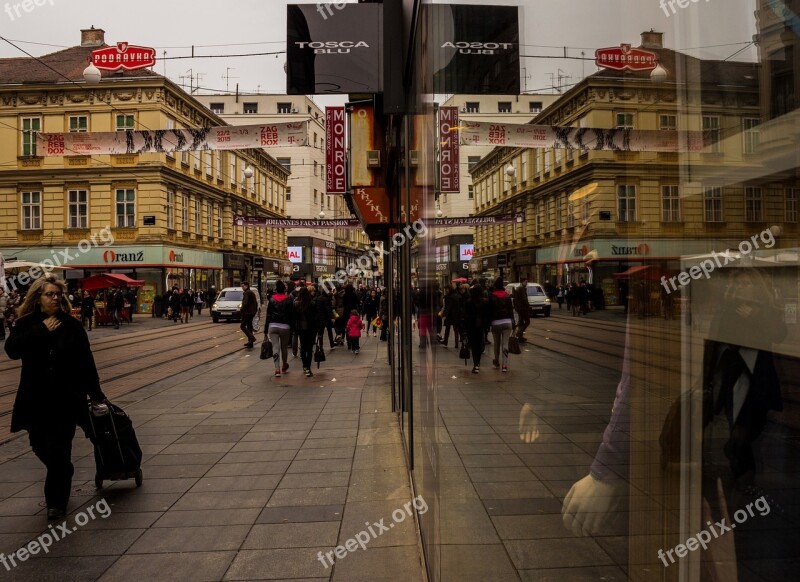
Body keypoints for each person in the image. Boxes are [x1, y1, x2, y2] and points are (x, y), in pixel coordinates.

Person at [4, 276, 107, 520]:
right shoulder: (27, 324)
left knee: (60, 450)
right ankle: (63, 471)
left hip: (66, 401)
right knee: (40, 446)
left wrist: (96, 395)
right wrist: (40, 331)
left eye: (58, 294)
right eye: (49, 294)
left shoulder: (72, 326)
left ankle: (56, 503)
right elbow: (12, 350)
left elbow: (86, 363)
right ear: (37, 298)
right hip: (36, 401)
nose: (55, 298)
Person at [266, 280, 294, 377]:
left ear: (276, 290)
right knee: (284, 347)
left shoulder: (271, 299)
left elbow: (268, 315)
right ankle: (284, 365)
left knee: (275, 348)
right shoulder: (288, 300)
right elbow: (291, 315)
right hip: (285, 327)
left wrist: (265, 329)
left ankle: (276, 369)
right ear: (284, 290)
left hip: (273, 326)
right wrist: (292, 327)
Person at [461, 285, 490, 373]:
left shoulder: (469, 302)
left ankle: (476, 364)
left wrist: (464, 329)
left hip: (471, 326)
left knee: (474, 346)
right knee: (479, 344)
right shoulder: (484, 302)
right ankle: (478, 363)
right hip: (481, 326)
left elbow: (465, 316)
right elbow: (487, 315)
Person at [488, 277, 514, 372]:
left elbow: (489, 311)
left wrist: (488, 323)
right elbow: (511, 311)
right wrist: (513, 322)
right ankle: (505, 364)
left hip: (495, 323)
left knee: (496, 344)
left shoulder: (491, 296)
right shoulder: (507, 296)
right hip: (507, 322)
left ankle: (496, 361)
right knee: (505, 344)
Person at [294, 286, 317, 377]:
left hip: (300, 328)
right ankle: (308, 368)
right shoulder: (312, 303)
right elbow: (315, 317)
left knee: (303, 347)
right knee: (309, 349)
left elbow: (295, 318)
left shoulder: (296, 304)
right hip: (311, 328)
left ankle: (304, 366)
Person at [239, 281, 258, 348]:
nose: (242, 288)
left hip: (247, 312)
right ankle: (250, 343)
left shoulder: (246, 293)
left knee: (242, 326)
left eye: (243, 286)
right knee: (249, 326)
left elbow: (245, 303)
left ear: (246, 286)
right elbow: (256, 303)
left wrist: (241, 310)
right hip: (252, 312)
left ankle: (252, 338)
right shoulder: (251, 292)